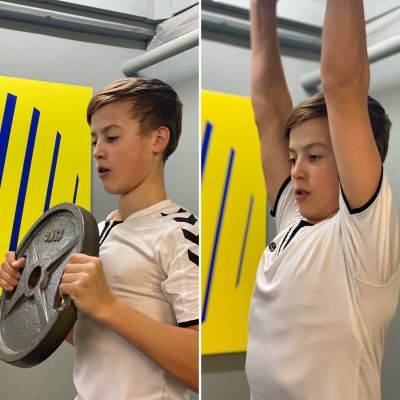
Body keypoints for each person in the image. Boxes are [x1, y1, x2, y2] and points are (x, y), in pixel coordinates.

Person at [0, 77, 199, 399]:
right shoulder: (98, 232)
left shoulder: (181, 232)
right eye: (94, 140)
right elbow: (90, 336)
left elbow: (196, 367)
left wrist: (107, 305)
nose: (98, 151)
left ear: (158, 139)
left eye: (112, 137)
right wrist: (30, 290)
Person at [246, 0, 400, 399]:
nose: (296, 171)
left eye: (314, 157)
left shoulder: (362, 238)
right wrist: (261, 10)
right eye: (293, 157)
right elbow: (268, 112)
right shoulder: (292, 217)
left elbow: (342, 84)